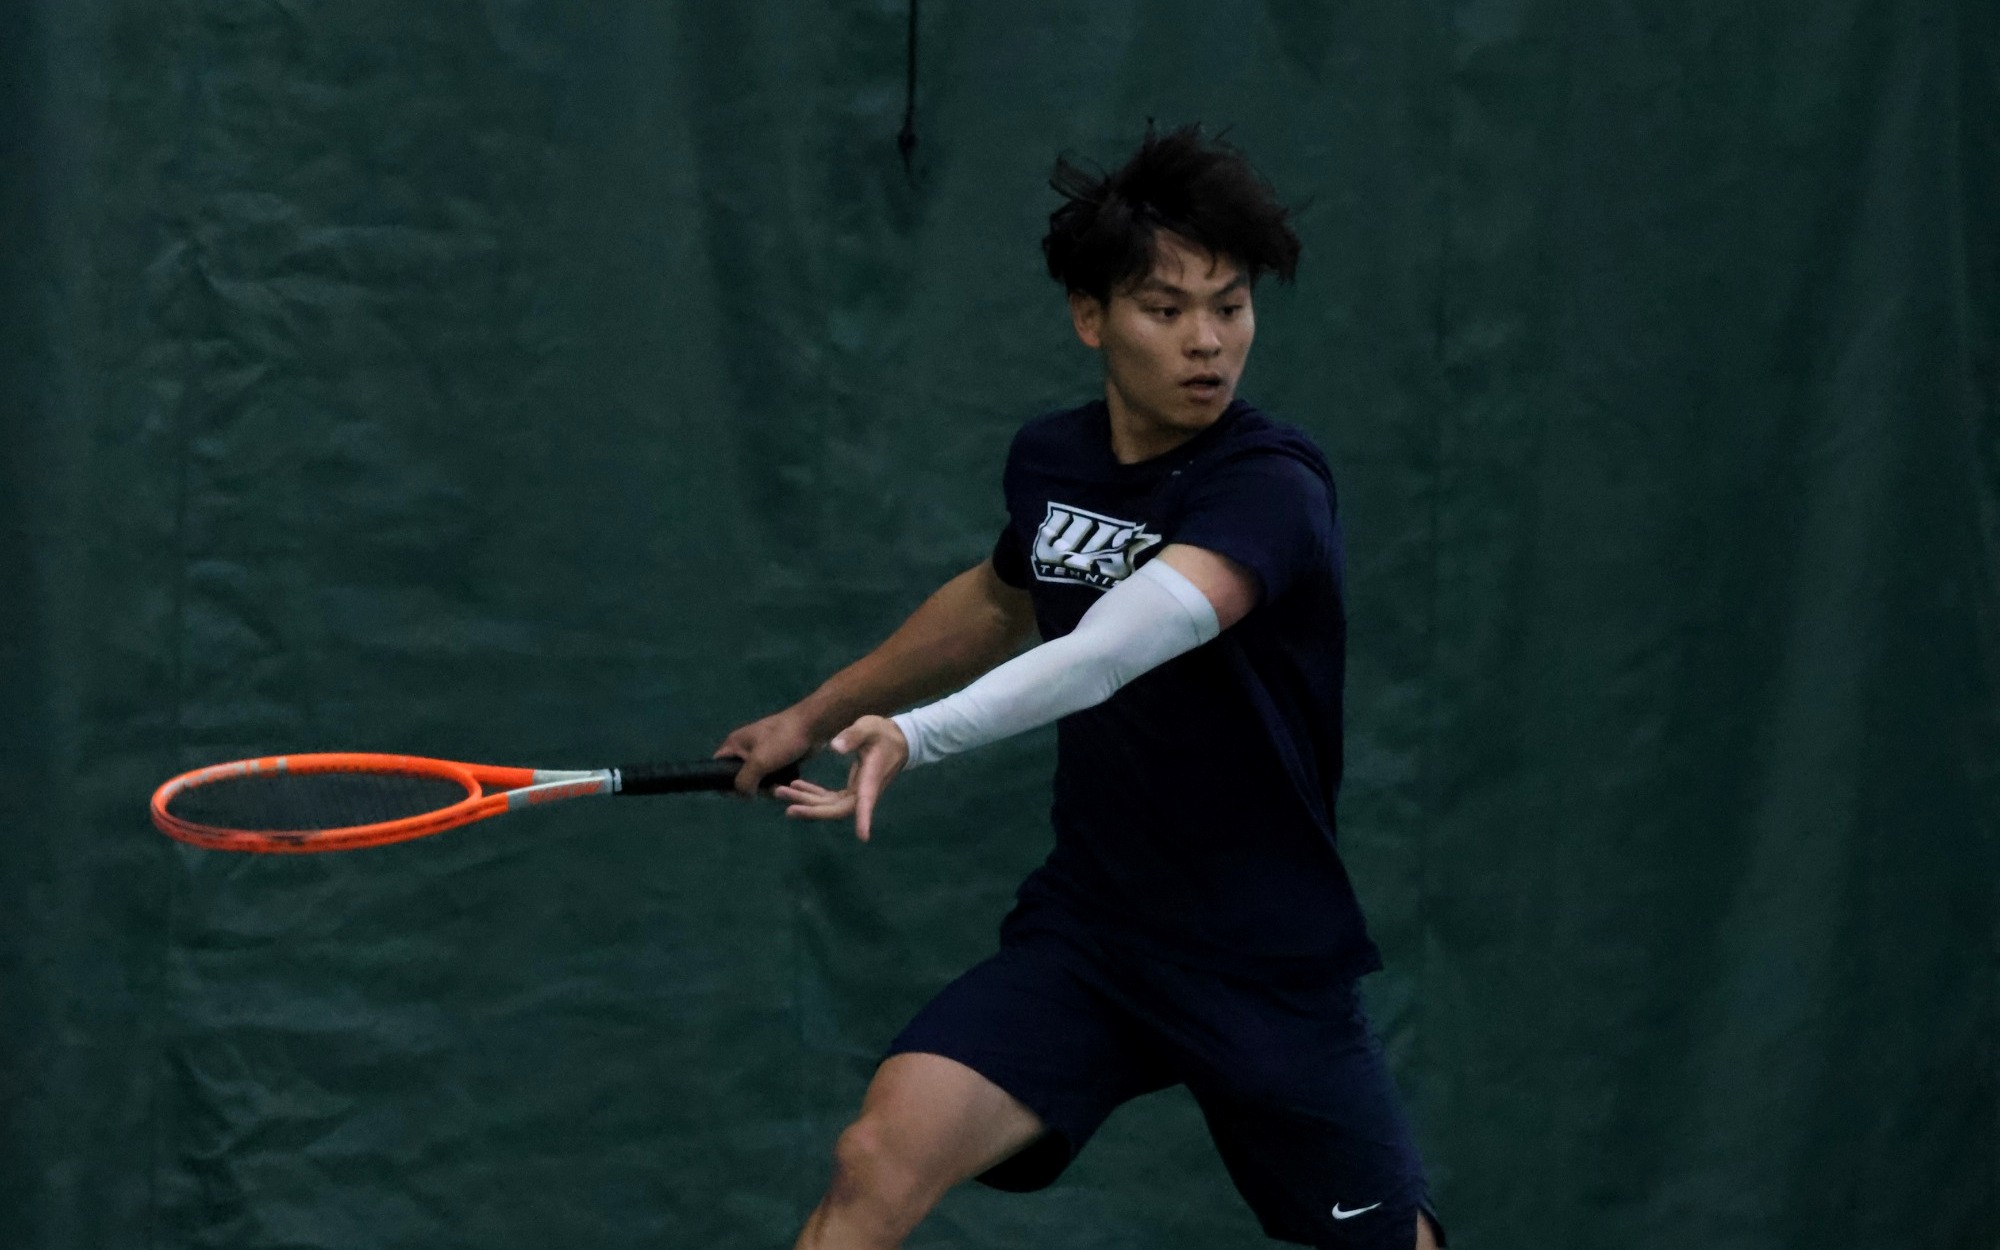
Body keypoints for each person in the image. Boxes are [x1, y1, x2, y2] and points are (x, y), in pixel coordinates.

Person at [716, 124, 1443, 1250]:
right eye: (1166, 309)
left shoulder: (1269, 485)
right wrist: (808, 715)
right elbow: (1004, 595)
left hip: (1261, 953)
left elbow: (1109, 645)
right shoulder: (1054, 461)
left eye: (1230, 304)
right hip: (1096, 932)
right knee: (876, 1154)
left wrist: (916, 734)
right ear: (1090, 317)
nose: (1207, 341)